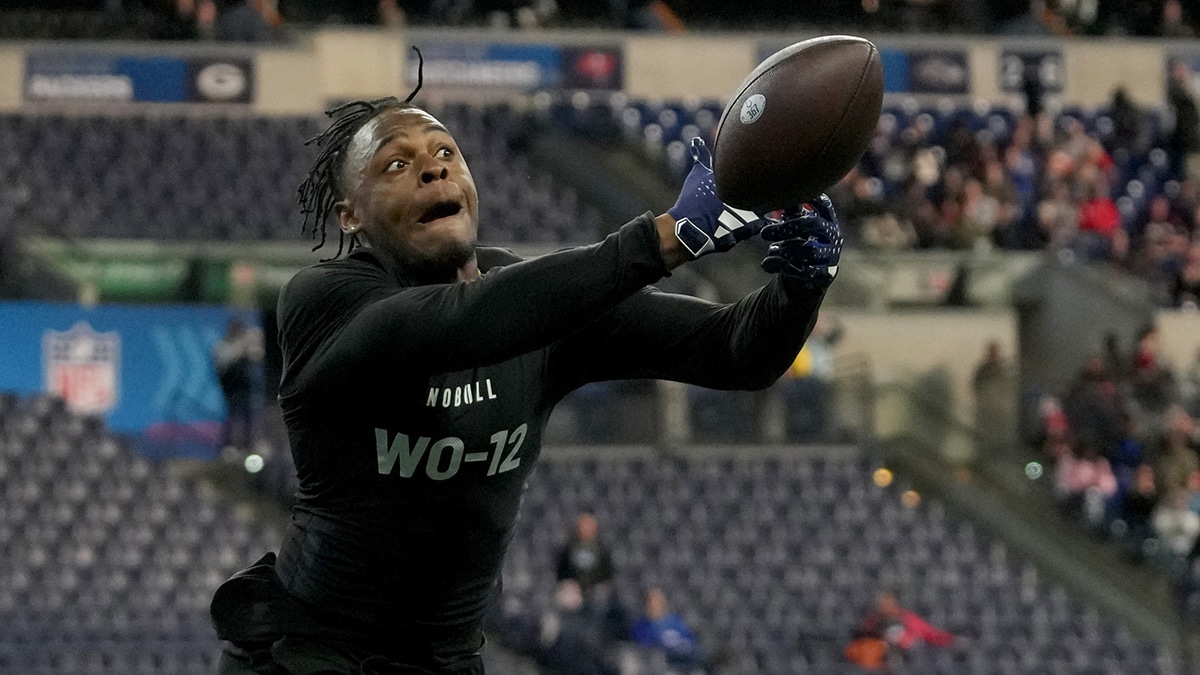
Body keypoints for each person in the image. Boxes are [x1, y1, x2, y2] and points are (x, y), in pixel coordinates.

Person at [210, 55, 841, 674]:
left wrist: (801, 285)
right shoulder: (324, 300)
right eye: (396, 164)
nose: (432, 169)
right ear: (351, 217)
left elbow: (734, 350)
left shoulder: (533, 300)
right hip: (310, 654)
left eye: (445, 152)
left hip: (447, 659)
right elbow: (459, 323)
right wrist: (668, 235)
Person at [848, 591, 957, 672]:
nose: (885, 607)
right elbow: (863, 639)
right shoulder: (872, 621)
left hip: (907, 657)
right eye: (882, 604)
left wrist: (950, 640)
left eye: (888, 603)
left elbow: (929, 633)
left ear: (895, 604)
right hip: (880, 662)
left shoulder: (907, 618)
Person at [212, 317, 264, 455]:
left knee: (250, 416)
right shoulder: (223, 345)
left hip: (246, 389)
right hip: (231, 388)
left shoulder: (246, 347)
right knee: (234, 416)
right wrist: (243, 344)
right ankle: (230, 447)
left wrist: (253, 343)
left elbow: (257, 357)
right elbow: (224, 362)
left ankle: (249, 447)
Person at [630, 588, 704, 673]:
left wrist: (685, 646)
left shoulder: (675, 621)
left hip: (682, 658)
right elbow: (644, 644)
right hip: (662, 663)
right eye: (652, 602)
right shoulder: (641, 624)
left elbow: (689, 638)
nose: (655, 605)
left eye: (658, 602)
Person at [556, 512, 615, 597]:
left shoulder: (602, 549)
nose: (586, 528)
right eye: (583, 525)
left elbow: (607, 572)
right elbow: (562, 571)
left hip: (596, 588)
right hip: (573, 589)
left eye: (589, 525)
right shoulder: (570, 548)